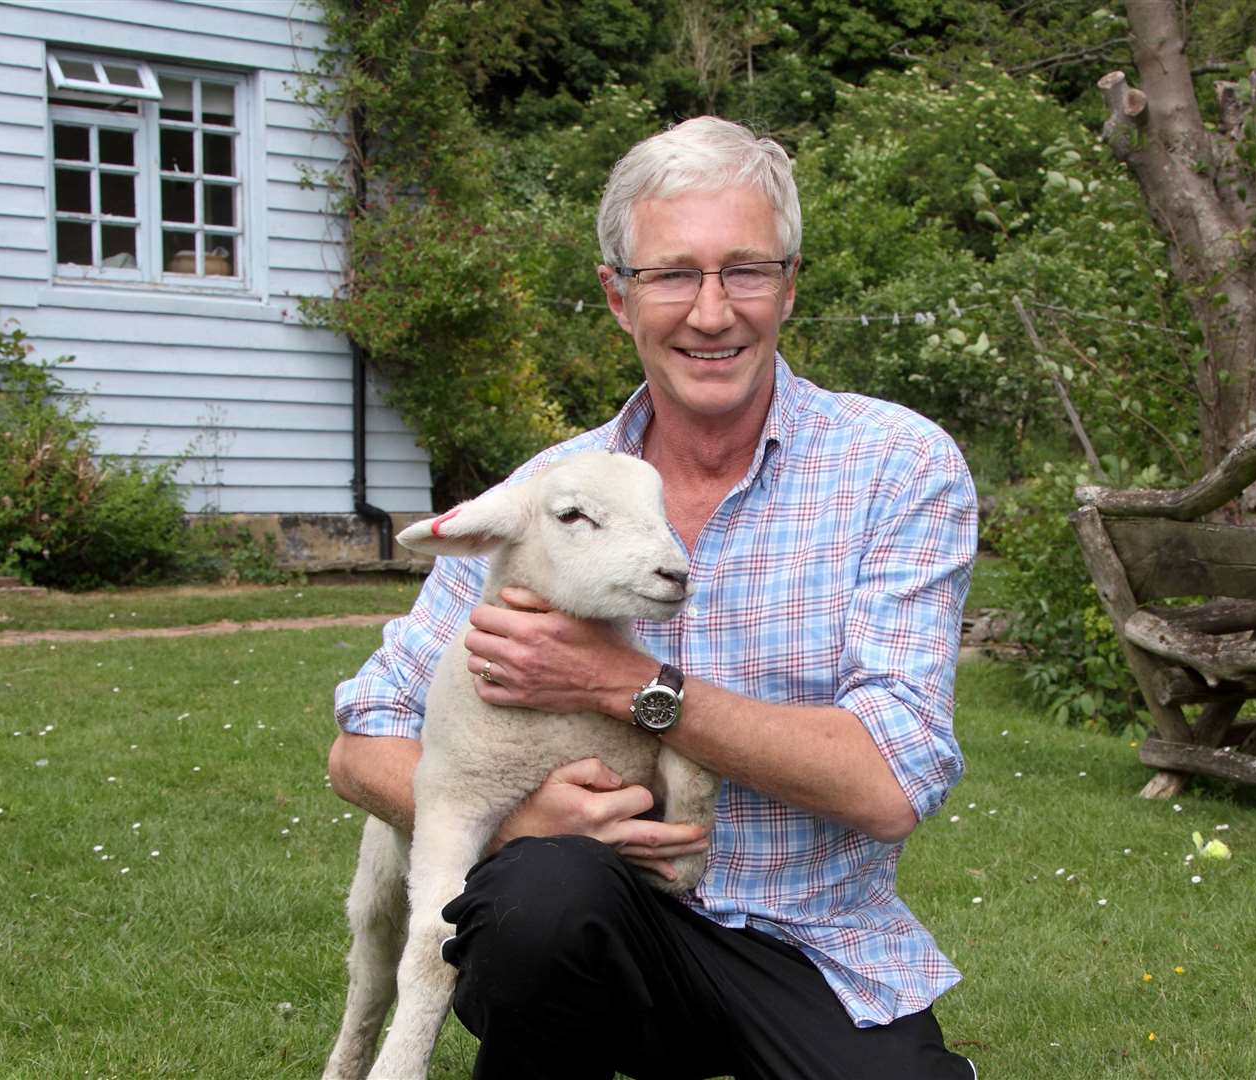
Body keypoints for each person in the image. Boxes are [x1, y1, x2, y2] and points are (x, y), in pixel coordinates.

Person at [330, 116, 979, 1079]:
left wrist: (626, 683)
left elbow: (891, 783)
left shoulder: (898, 468)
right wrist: (515, 826)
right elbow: (361, 743)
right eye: (672, 274)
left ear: (790, 285)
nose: (711, 313)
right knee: (540, 893)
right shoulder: (551, 497)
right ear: (617, 298)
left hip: (811, 941)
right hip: (587, 924)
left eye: (745, 271)